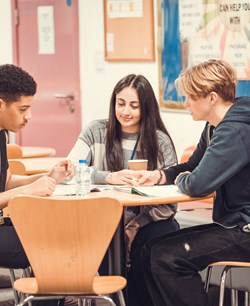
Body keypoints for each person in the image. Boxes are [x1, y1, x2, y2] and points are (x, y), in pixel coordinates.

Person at [133, 59, 250, 306]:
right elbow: (192, 167)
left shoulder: (235, 129)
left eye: (190, 97)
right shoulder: (215, 126)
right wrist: (161, 175)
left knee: (166, 257)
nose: (185, 104)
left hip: (245, 230)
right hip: (233, 226)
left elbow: (197, 184)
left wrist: (186, 178)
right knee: (150, 249)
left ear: (211, 98)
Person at [67, 74, 180, 306]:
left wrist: (135, 226)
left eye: (134, 106)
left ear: (146, 108)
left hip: (147, 220)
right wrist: (108, 177)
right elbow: (69, 172)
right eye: (121, 103)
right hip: (98, 217)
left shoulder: (159, 141)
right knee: (99, 242)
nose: (125, 111)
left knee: (150, 245)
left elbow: (171, 199)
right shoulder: (95, 131)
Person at [0, 64, 75, 306]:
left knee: (63, 232)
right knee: (50, 244)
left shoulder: (1, 134)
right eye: (23, 109)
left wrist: (47, 176)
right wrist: (29, 191)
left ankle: (57, 297)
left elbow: (7, 182)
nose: (28, 116)